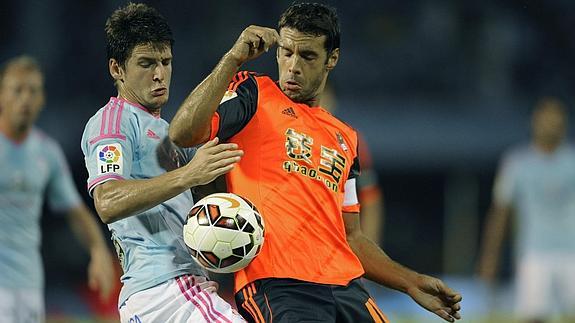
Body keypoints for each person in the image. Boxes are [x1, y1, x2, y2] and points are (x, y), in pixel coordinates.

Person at [169, 3, 462, 322]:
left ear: (331, 59)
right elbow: (183, 133)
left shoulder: (346, 138)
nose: (293, 66)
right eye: (286, 52)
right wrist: (232, 58)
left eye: (307, 56)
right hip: (279, 285)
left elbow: (353, 238)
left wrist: (410, 282)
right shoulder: (254, 94)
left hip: (347, 288)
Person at [80, 3, 246, 322]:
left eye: (165, 62)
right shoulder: (112, 123)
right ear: (117, 69)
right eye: (146, 63)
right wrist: (187, 175)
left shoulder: (165, 130)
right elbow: (107, 201)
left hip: (166, 293)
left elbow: (206, 188)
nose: (159, 74)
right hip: (167, 290)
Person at [0, 55, 115, 322]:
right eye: (17, 90)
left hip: (28, 281)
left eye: (33, 91)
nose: (25, 99)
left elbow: (74, 210)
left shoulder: (46, 152)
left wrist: (98, 251)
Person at [478, 98, 575, 323]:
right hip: (534, 252)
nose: (551, 126)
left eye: (556, 121)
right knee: (533, 316)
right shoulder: (517, 162)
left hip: (572, 251)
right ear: (534, 123)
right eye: (546, 121)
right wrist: (489, 256)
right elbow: (501, 211)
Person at [321, 83, 385, 244]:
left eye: (324, 97)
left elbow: (370, 196)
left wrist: (369, 248)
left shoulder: (350, 140)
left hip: (336, 246)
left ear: (333, 101)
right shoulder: (287, 133)